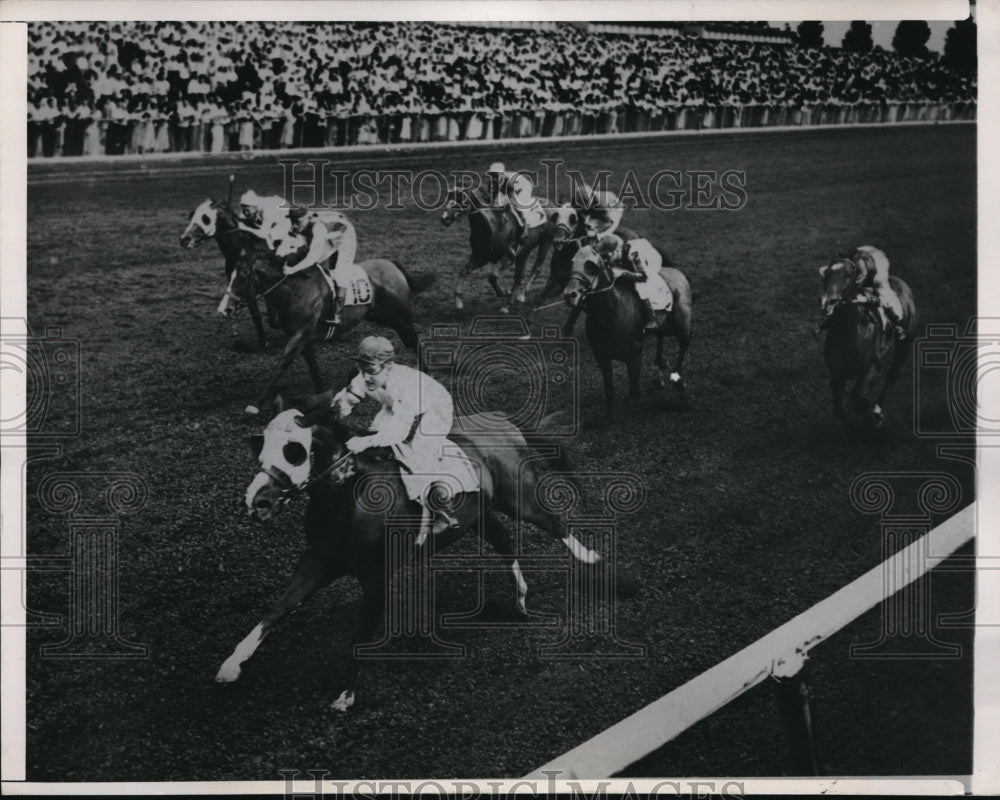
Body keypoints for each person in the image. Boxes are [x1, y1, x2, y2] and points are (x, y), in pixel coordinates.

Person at [332, 336, 468, 543]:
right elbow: (349, 399)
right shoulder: (366, 375)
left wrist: (364, 442)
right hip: (395, 406)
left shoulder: (403, 384)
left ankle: (444, 511)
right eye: (361, 365)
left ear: (387, 365)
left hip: (434, 410)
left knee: (418, 454)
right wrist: (336, 410)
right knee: (375, 436)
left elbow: (399, 434)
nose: (365, 373)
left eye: (370, 367)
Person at [280, 206, 358, 328]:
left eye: (297, 222)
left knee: (341, 273)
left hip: (344, 235)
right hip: (330, 232)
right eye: (292, 221)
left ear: (307, 218)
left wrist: (292, 269)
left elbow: (312, 257)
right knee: (315, 261)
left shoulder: (318, 228)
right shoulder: (305, 223)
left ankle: (338, 313)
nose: (294, 225)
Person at [852, 245, 907, 340]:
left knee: (884, 295)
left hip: (877, 263)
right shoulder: (854, 263)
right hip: (861, 257)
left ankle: (896, 325)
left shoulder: (878, 276)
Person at [486, 161, 546, 245]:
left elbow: (511, 197)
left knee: (516, 205)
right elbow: (492, 196)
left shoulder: (509, 181)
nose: (494, 178)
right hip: (510, 190)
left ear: (502, 174)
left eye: (496, 175)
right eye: (492, 175)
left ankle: (524, 228)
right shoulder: (492, 181)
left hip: (523, 187)